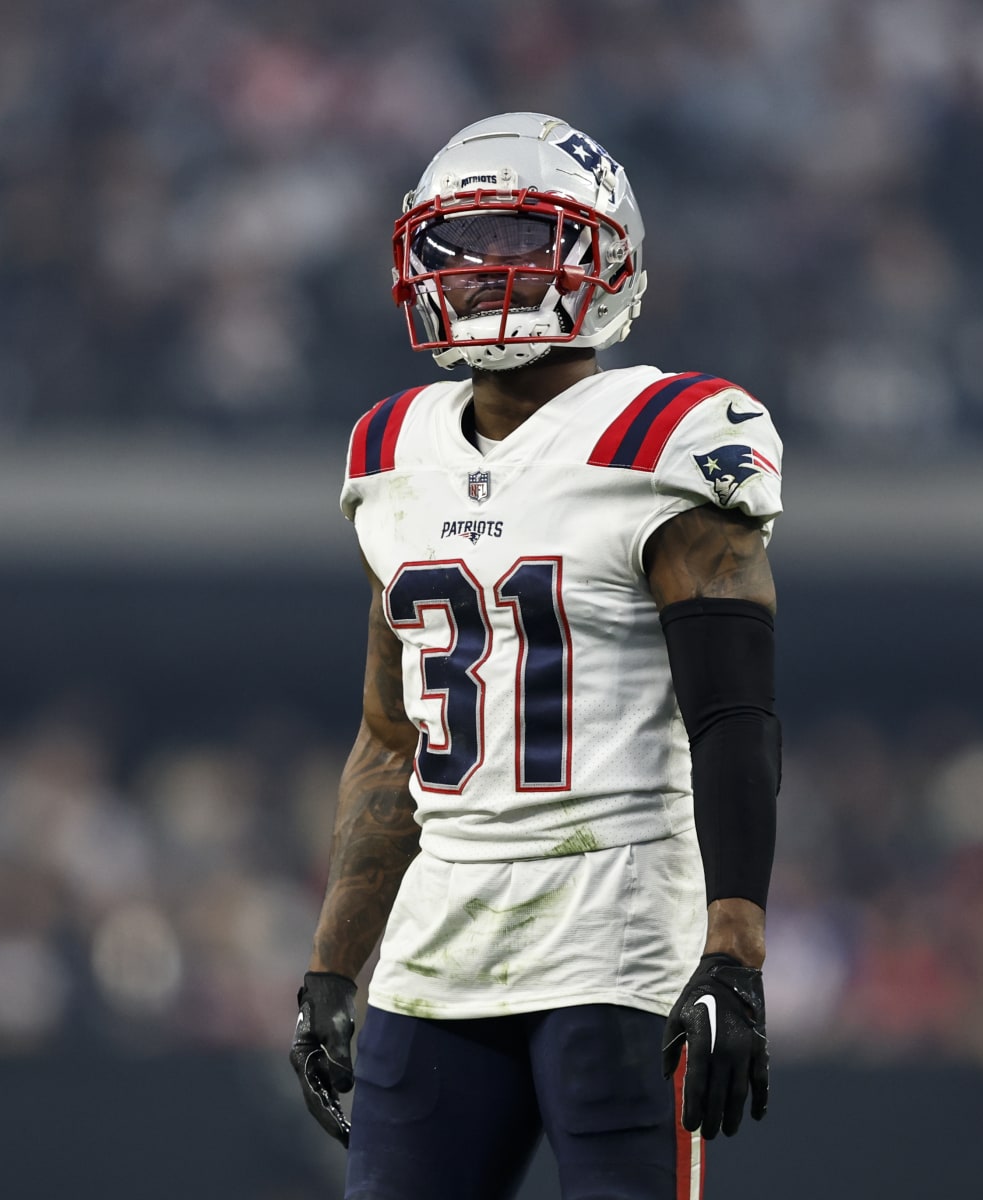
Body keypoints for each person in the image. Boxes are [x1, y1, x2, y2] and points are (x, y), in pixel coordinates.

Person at [289, 112, 782, 1200]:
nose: (484, 272)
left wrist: (733, 950)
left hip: (617, 931)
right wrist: (333, 961)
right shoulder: (392, 453)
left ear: (608, 259)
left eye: (522, 238)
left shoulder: (669, 433)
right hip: (438, 941)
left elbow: (734, 719)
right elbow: (391, 740)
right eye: (460, 245)